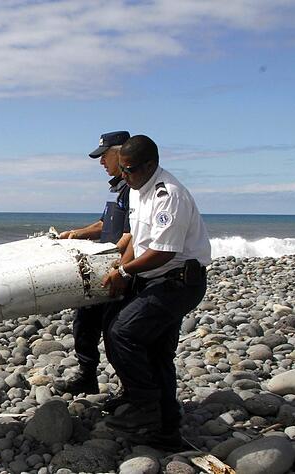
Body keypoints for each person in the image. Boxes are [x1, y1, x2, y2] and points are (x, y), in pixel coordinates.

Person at [101, 135, 211, 448]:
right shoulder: (137, 188)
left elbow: (163, 251)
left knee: (123, 333)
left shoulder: (169, 195)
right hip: (155, 278)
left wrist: (123, 271)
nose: (124, 176)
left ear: (151, 165)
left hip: (179, 282)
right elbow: (137, 237)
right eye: (122, 169)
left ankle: (144, 406)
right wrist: (123, 270)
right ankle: (166, 430)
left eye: (130, 170)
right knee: (154, 351)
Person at [53, 131, 132, 396]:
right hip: (103, 266)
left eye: (104, 156)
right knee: (84, 322)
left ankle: (129, 389)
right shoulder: (115, 188)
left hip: (119, 270)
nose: (101, 163)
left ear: (121, 153)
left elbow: (132, 235)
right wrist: (74, 234)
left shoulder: (134, 189)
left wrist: (118, 268)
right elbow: (103, 225)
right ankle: (87, 375)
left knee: (115, 332)